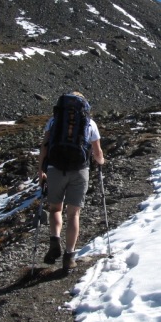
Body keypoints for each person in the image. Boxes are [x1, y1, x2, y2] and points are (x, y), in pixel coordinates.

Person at [37, 92, 106, 271]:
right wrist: (101, 162)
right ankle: (69, 256)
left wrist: (41, 171)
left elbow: (44, 148)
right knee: (73, 213)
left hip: (55, 168)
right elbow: (97, 154)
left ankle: (54, 241)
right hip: (80, 170)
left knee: (55, 209)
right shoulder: (90, 123)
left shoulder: (54, 121)